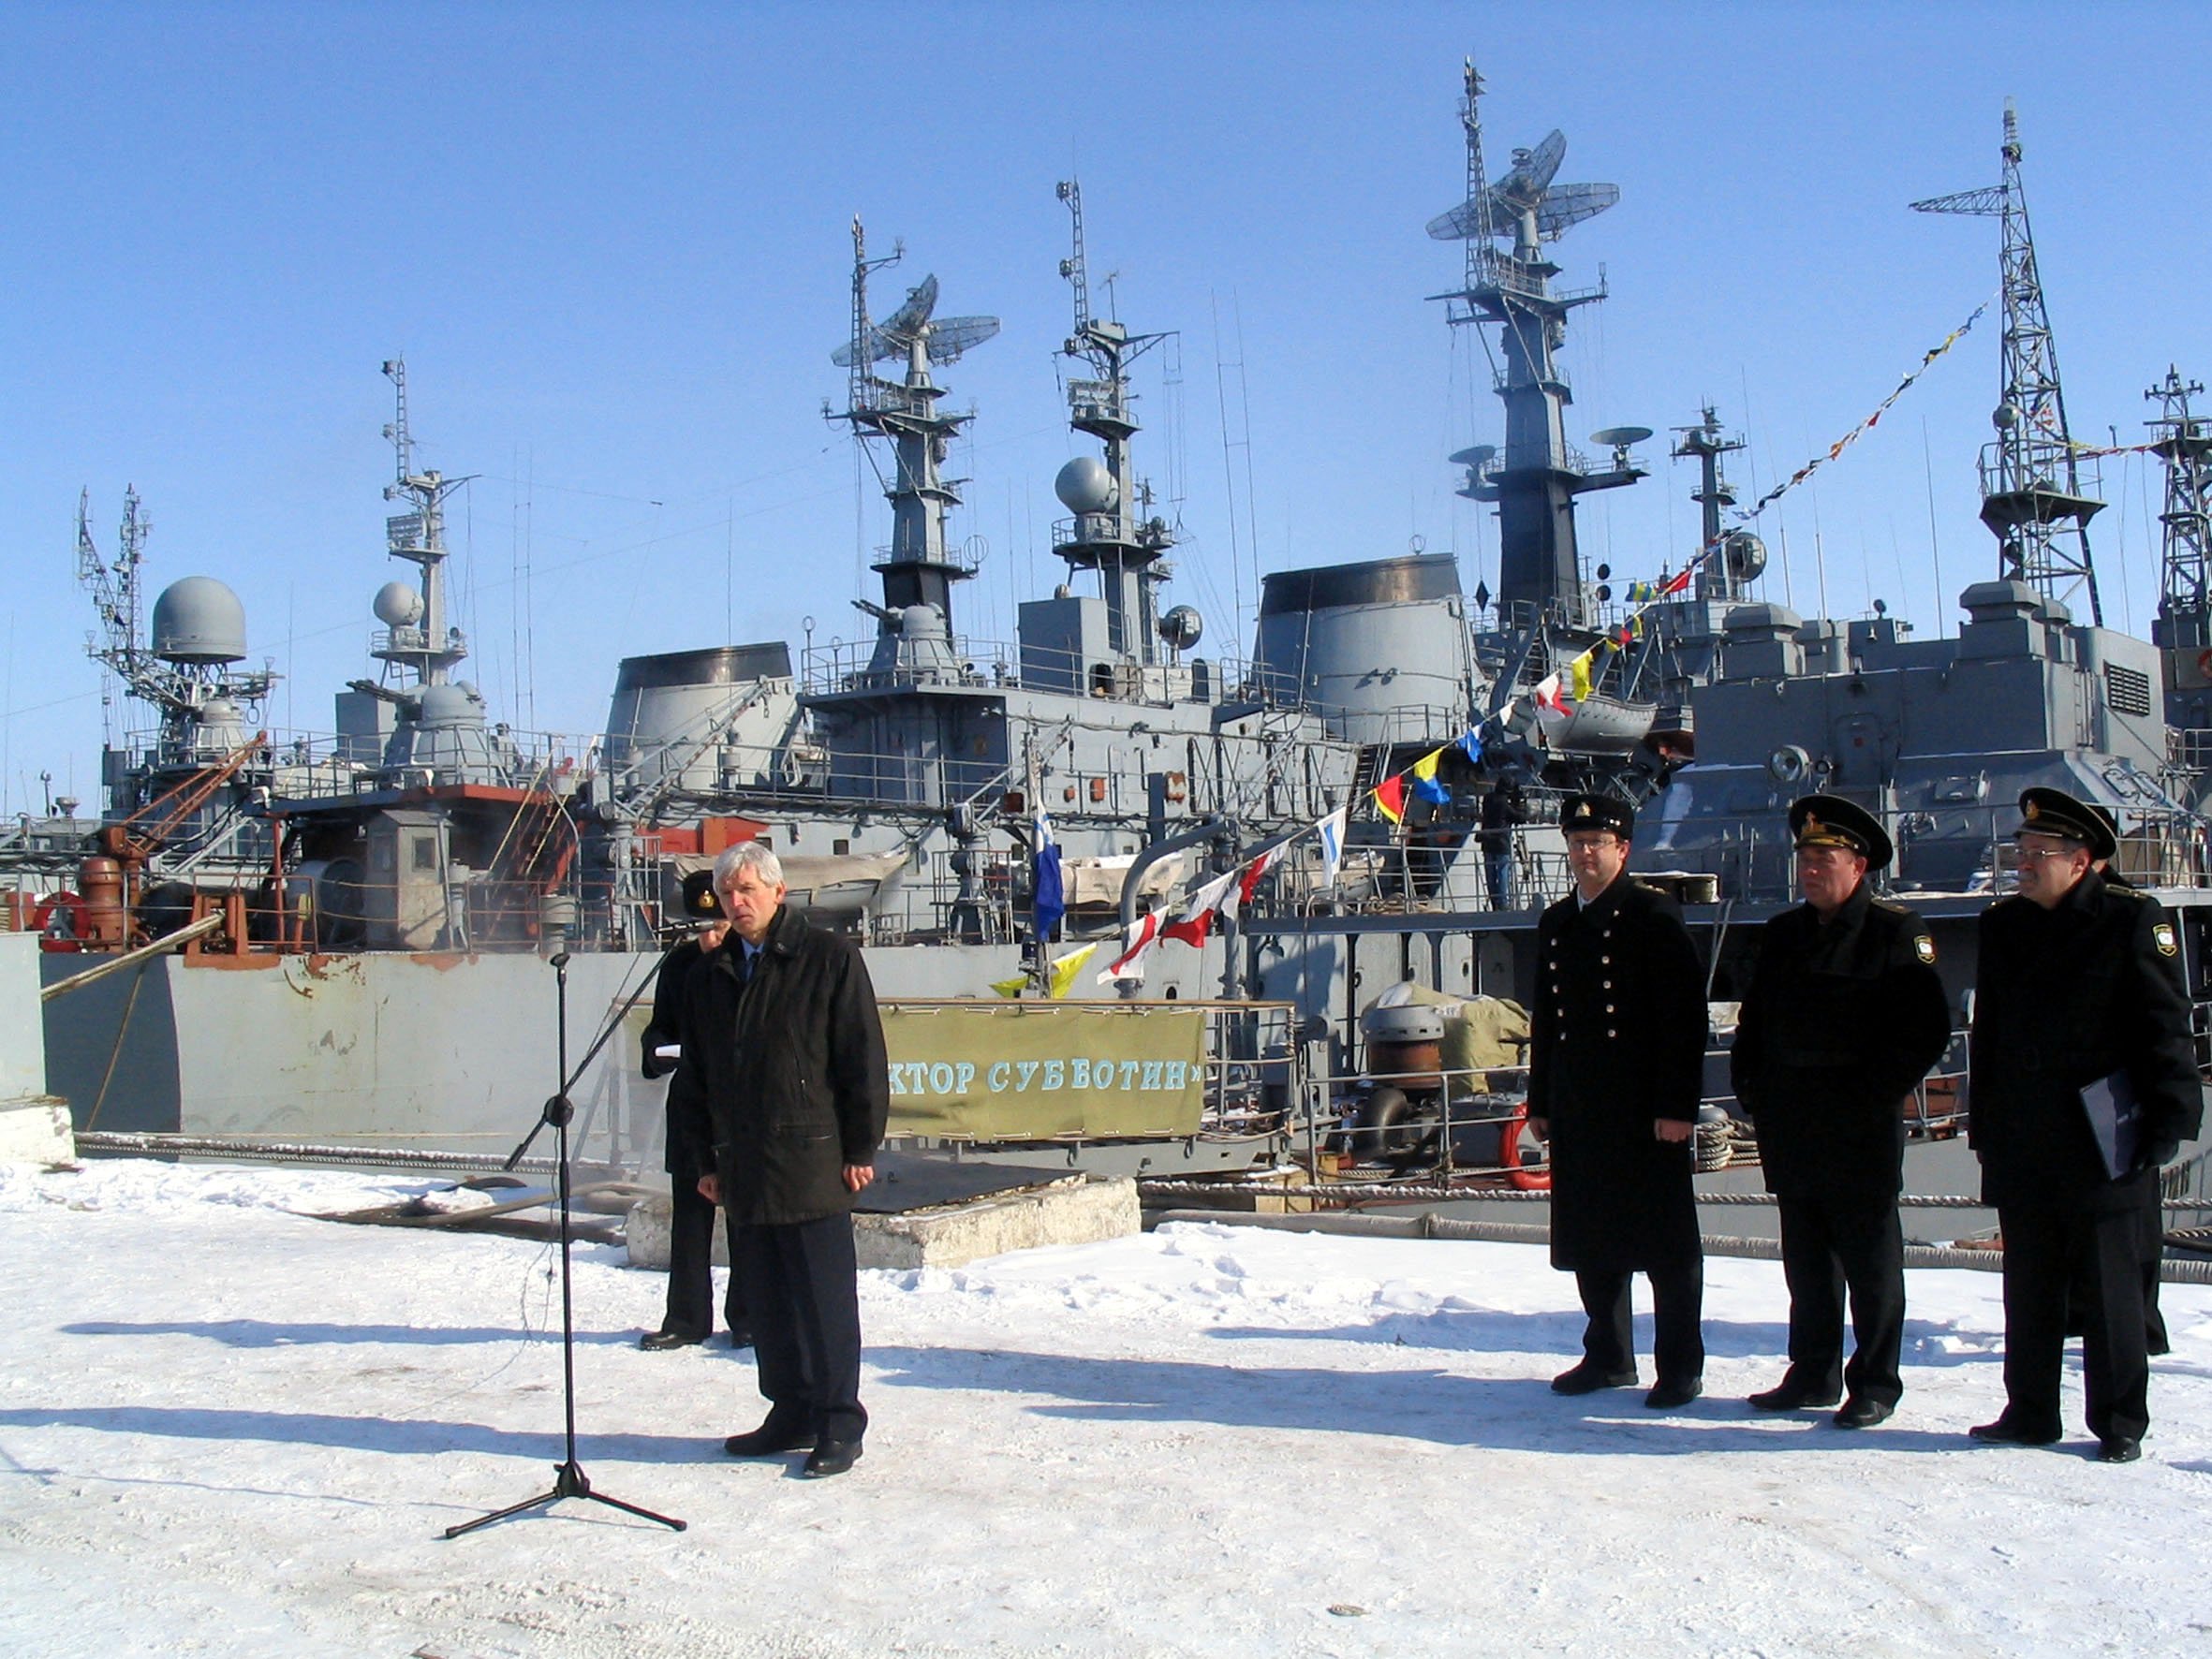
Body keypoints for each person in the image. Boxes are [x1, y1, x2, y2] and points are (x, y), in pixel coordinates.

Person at [1967, 787, 2201, 1463]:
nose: (2025, 863)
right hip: (2027, 1135)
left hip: (2104, 1134)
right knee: (2030, 1284)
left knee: (2112, 1291)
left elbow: (2165, 1026)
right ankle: (2031, 1409)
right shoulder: (2004, 924)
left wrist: (2167, 1123)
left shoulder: (2131, 920)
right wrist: (1986, 1130)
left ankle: (2120, 1420)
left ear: (2084, 861)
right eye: (2022, 851)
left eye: (2040, 853)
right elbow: (1993, 1040)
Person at [669, 841, 890, 1478]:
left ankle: (838, 1422)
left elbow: (860, 1059)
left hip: (813, 1158)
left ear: (777, 892)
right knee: (766, 1301)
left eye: (747, 890)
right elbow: (698, 1076)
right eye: (728, 893)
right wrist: (703, 1160)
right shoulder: (712, 973)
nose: (737, 903)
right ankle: (789, 1410)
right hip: (744, 1163)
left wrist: (859, 1148)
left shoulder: (828, 958)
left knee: (824, 1301)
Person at [1730, 795, 1952, 1428]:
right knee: (1807, 1264)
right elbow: (1755, 1023)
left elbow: (1924, 1031)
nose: (1810, 867)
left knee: (1872, 1266)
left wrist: (1870, 1095)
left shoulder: (1895, 933)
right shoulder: (1783, 934)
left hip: (1858, 1130)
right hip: (1792, 1126)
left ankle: (1875, 1383)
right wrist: (1754, 1091)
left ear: (1858, 865)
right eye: (1804, 856)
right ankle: (1812, 1373)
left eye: (1824, 857)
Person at [1527, 792, 1709, 1409]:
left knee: (1666, 1245)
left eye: (1595, 844)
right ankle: (1607, 1354)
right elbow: (1547, 1021)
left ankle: (1680, 1366)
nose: (1583, 854)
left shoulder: (1654, 917)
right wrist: (1541, 1100)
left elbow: (1683, 1020)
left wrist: (1678, 1107)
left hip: (1644, 1108)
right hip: (1581, 1103)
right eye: (1576, 843)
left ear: (1622, 849)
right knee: (1591, 1237)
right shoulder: (1557, 923)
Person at [637, 869, 749, 1353]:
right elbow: (660, 1027)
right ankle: (685, 1318)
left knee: (744, 1218)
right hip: (692, 1108)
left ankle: (747, 1317)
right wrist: (655, 1051)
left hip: (741, 1108)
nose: (709, 937)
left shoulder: (750, 965)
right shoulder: (679, 966)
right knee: (689, 1218)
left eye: (718, 926)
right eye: (700, 928)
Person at [1479, 775, 1528, 910]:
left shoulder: (1488, 799)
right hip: (1501, 842)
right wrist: (1521, 802)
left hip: (1487, 841)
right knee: (1502, 871)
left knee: (1490, 872)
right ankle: (1502, 903)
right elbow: (1521, 818)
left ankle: (1494, 901)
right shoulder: (1504, 803)